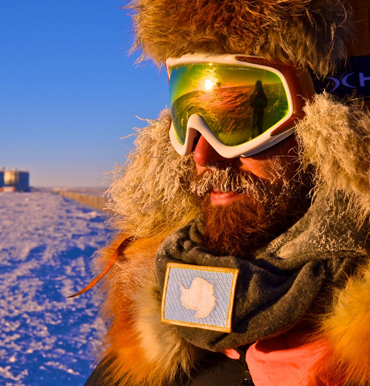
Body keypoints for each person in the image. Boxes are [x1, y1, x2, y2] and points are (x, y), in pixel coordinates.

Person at [80, 0, 370, 384]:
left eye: (242, 116)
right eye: (189, 115)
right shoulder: (153, 321)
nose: (202, 153)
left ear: (339, 122)